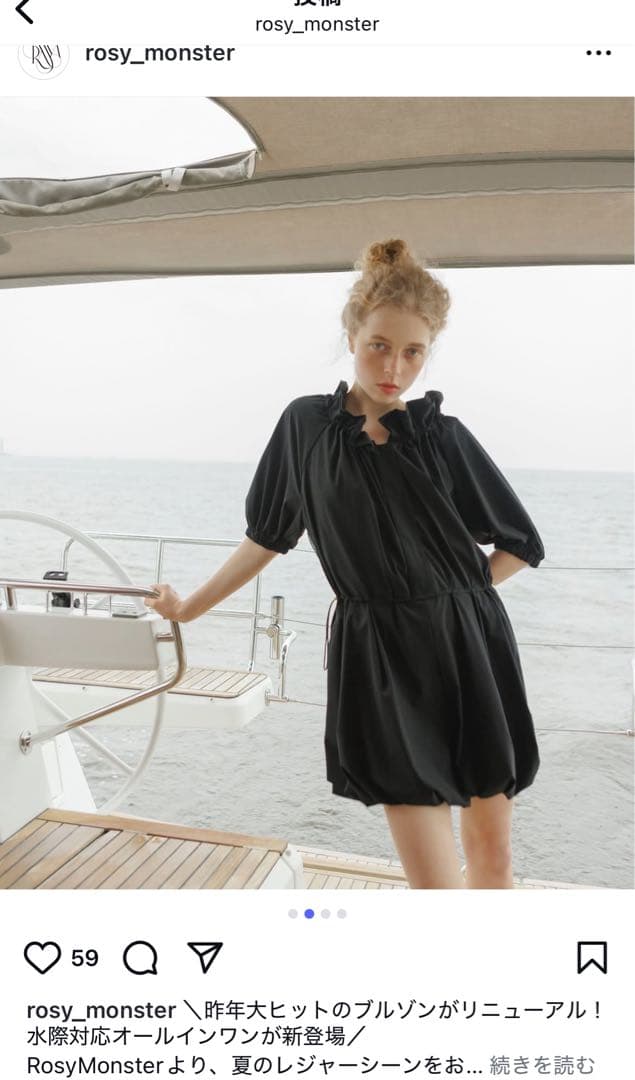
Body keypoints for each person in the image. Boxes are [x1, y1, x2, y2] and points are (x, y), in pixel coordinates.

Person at [145, 238, 545, 890]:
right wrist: (187, 608)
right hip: (381, 653)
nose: (394, 366)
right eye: (379, 345)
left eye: (413, 351)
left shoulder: (442, 436)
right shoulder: (305, 427)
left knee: (493, 857)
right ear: (352, 335)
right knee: (434, 884)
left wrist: (455, 596)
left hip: (471, 647)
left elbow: (520, 543)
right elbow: (266, 537)